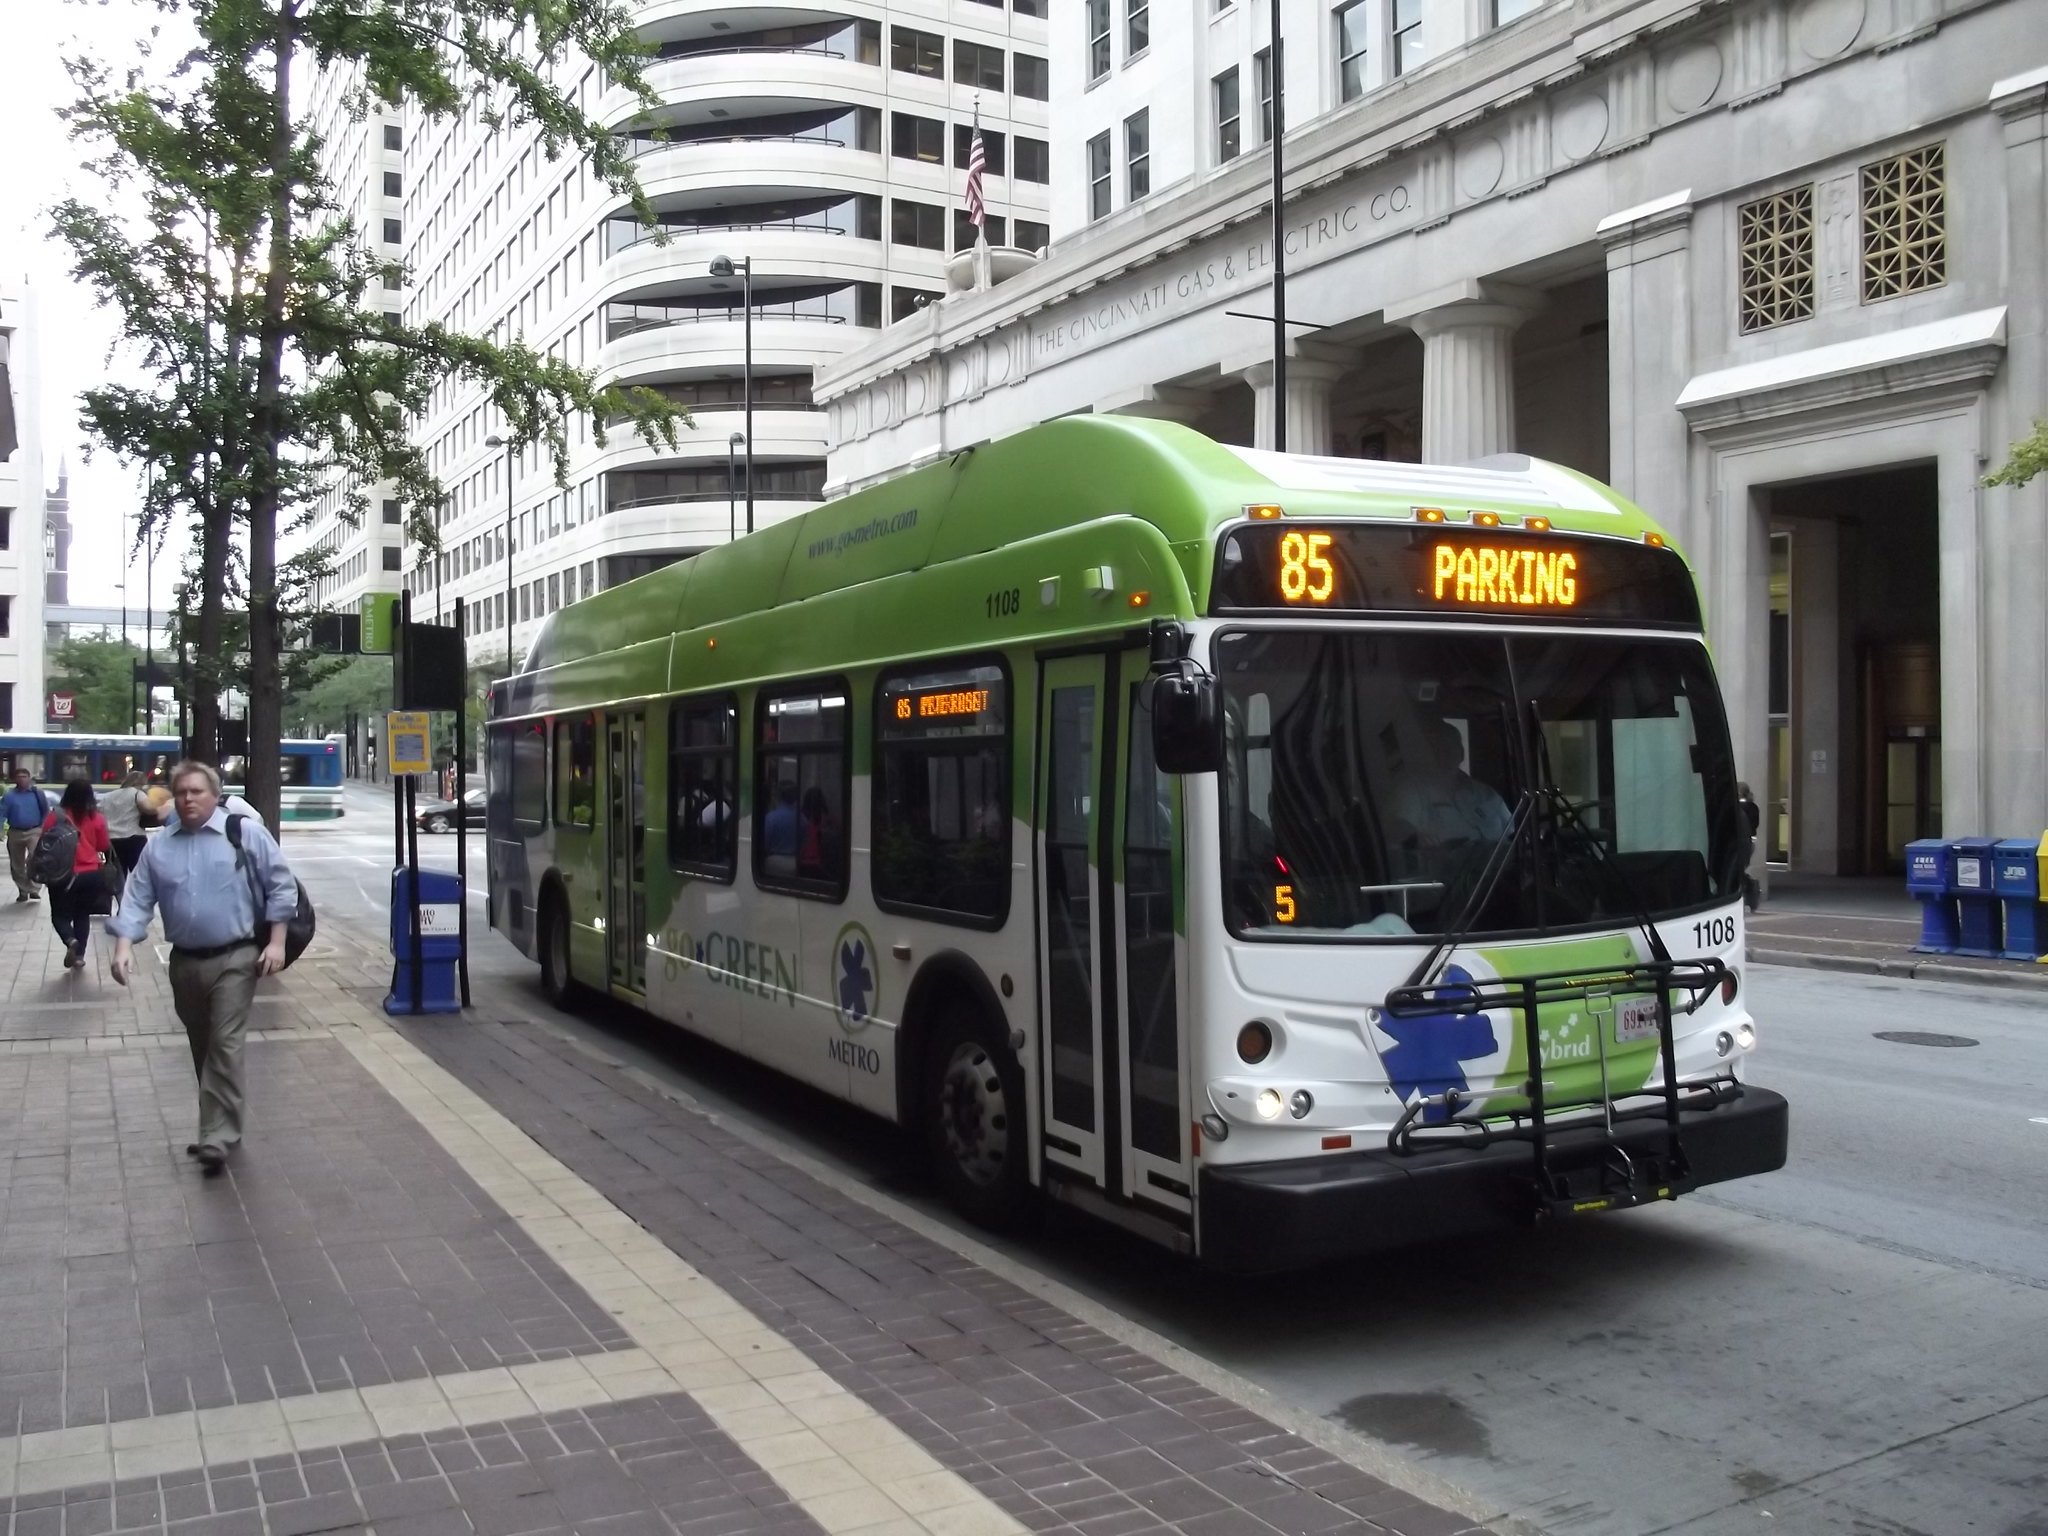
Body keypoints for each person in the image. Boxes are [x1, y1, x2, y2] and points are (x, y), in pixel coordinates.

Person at [108, 760, 298, 1174]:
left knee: (225, 1045)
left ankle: (217, 1136)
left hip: (237, 957)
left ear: (214, 794)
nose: (188, 799)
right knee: (203, 1046)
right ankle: (218, 1122)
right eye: (181, 792)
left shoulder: (243, 833)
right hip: (185, 963)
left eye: (197, 791)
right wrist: (123, 946)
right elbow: (138, 897)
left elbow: (280, 884)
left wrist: (278, 943)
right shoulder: (160, 845)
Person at [1391, 717, 1512, 847]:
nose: (1443, 752)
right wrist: (1416, 837)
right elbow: (1398, 829)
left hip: (1500, 866)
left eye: (1449, 745)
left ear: (1461, 752)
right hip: (1443, 866)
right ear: (1427, 753)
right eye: (1436, 747)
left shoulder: (1486, 794)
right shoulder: (1412, 790)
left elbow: (1514, 834)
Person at [43, 779, 113, 969]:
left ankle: (69, 939)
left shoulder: (56, 817)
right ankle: (80, 955)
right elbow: (103, 846)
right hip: (91, 874)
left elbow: (46, 841)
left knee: (59, 915)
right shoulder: (97, 818)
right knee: (82, 914)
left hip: (62, 875)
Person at [4, 766, 52, 902]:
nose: (22, 779)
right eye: (19, 777)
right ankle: (23, 890)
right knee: (17, 864)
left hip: (34, 830)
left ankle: (35, 888)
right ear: (14, 779)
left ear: (29, 778)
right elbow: (2, 813)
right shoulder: (9, 796)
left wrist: (43, 827)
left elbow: (46, 811)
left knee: (35, 859)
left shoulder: (37, 793)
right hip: (15, 832)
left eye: (24, 777)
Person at [100, 770, 155, 874]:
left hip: (112, 840)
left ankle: (120, 890)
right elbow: (149, 809)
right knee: (138, 874)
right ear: (140, 783)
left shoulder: (109, 796)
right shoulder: (137, 793)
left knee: (118, 875)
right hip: (133, 839)